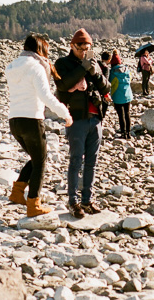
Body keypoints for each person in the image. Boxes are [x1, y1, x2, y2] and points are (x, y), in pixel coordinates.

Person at [5, 34, 73, 217]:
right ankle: (33, 204)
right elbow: (45, 96)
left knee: (36, 158)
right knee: (41, 161)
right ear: (40, 50)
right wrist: (65, 113)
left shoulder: (12, 66)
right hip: (31, 120)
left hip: (14, 121)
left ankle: (17, 193)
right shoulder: (36, 67)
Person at [54, 28, 112, 219]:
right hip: (76, 119)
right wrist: (83, 67)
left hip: (95, 118)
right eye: (81, 48)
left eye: (88, 48)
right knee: (75, 160)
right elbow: (62, 84)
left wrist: (94, 72)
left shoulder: (94, 63)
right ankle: (73, 202)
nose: (84, 52)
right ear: (72, 46)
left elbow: (106, 87)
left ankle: (87, 200)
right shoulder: (63, 63)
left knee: (92, 162)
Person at [109, 51, 133, 139]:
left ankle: (123, 133)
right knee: (127, 114)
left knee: (121, 115)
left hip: (117, 96)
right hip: (128, 95)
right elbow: (131, 78)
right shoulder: (127, 70)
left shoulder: (112, 72)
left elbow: (109, 82)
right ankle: (128, 133)